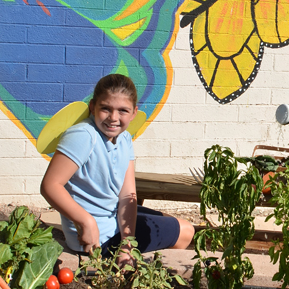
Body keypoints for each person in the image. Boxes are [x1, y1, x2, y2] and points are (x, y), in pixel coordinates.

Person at [40, 74, 194, 267]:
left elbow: (127, 195)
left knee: (168, 219)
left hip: (113, 216)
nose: (113, 118)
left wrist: (127, 244)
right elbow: (50, 185)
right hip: (96, 238)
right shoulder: (83, 136)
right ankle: (140, 271)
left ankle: (134, 257)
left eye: (123, 111)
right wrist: (85, 221)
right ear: (92, 106)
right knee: (186, 231)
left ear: (134, 113)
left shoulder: (124, 138)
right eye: (105, 108)